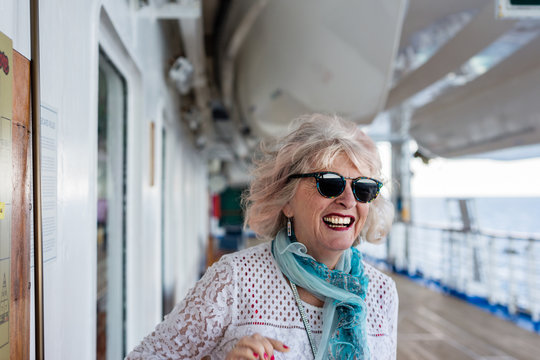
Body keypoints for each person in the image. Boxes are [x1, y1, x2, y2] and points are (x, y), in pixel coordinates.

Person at [126, 114, 398, 360]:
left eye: (363, 189)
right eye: (329, 183)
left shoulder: (382, 292)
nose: (349, 200)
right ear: (286, 199)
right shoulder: (235, 280)